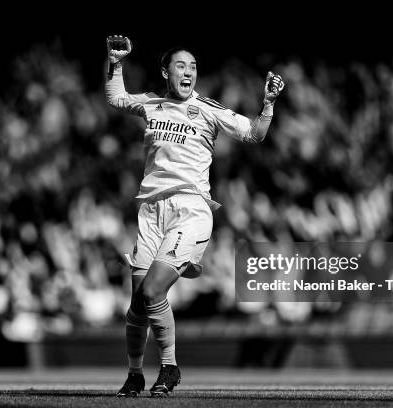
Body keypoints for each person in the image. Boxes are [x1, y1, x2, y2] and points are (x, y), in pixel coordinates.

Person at [105, 34, 284, 397]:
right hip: (151, 211)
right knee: (138, 300)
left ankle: (169, 367)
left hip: (190, 209)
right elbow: (116, 98)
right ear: (165, 72)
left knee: (154, 289)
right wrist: (116, 62)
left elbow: (254, 134)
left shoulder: (208, 109)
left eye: (193, 67)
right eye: (181, 66)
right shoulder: (152, 104)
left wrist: (267, 105)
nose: (189, 72)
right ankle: (135, 373)